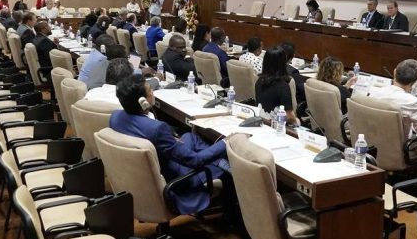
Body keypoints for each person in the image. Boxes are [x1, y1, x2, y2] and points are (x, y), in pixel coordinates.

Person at [109, 74, 232, 215]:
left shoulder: (115, 117)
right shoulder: (156, 129)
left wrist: (171, 141)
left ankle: (218, 159)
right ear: (143, 101)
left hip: (141, 175)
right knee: (226, 169)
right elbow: (195, 161)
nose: (152, 93)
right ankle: (230, 217)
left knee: (189, 137)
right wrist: (225, 142)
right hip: (174, 178)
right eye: (150, 91)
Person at [371, 59, 417, 177]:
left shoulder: (375, 93)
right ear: (416, 82)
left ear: (395, 72)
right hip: (400, 150)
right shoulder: (410, 102)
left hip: (374, 145)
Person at [255, 47, 298, 125]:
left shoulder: (259, 81)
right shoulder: (283, 86)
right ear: (283, 63)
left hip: (262, 122)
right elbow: (289, 116)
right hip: (278, 127)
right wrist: (297, 121)